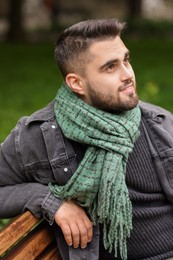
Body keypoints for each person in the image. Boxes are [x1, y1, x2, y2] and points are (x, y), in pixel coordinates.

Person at [1, 18, 173, 260]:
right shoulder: (40, 136)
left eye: (126, 60)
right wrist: (51, 202)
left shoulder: (158, 123)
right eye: (110, 67)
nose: (127, 75)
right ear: (76, 83)